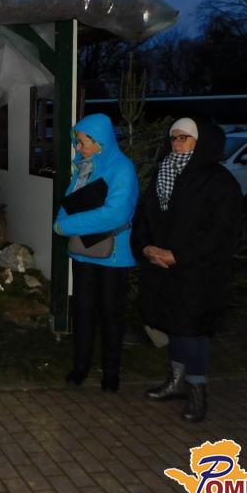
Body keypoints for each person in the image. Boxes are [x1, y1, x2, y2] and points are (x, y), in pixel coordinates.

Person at [132, 118, 243, 423]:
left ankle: (197, 391)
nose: (176, 143)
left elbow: (220, 232)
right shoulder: (164, 173)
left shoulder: (219, 182)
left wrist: (178, 256)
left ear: (201, 141)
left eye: (184, 138)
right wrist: (146, 247)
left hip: (199, 272)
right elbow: (144, 216)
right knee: (175, 325)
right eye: (174, 138)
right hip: (163, 269)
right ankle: (176, 381)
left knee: (193, 330)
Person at [53, 113, 139, 392]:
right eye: (77, 143)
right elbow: (68, 203)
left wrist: (66, 226)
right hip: (83, 252)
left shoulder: (122, 168)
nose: (78, 148)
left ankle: (111, 372)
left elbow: (116, 214)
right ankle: (81, 367)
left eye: (82, 142)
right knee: (83, 310)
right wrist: (62, 222)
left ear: (99, 140)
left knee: (111, 313)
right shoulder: (83, 168)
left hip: (113, 254)